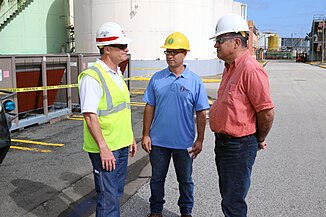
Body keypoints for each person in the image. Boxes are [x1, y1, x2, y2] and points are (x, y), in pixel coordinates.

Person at [209, 13, 275, 217]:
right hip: (225, 144)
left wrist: (259, 138)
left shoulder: (250, 70)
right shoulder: (230, 68)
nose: (216, 45)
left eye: (219, 40)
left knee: (233, 202)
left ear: (236, 42)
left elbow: (266, 112)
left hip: (238, 146)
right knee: (229, 197)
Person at [142, 32, 210, 217]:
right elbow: (150, 107)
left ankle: (186, 212)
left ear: (185, 54)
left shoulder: (195, 81)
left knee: (185, 181)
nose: (170, 56)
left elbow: (201, 112)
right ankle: (156, 211)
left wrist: (200, 140)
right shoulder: (157, 78)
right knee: (156, 179)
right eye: (167, 52)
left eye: (175, 52)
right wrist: (146, 134)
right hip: (159, 142)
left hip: (184, 143)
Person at [77, 22, 137, 217]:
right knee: (108, 197)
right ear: (108, 49)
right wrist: (103, 148)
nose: (126, 50)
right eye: (121, 46)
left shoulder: (116, 73)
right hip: (106, 148)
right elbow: (89, 115)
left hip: (120, 144)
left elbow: (121, 110)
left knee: (115, 193)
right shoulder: (93, 77)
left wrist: (130, 137)